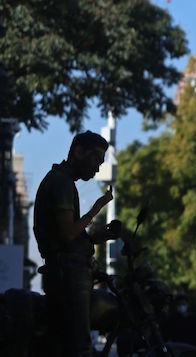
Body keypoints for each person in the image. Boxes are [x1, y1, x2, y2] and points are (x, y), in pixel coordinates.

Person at [33, 130, 122, 357]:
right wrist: (97, 208)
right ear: (78, 152)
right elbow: (66, 234)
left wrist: (93, 238)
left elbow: (68, 238)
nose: (97, 168)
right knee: (79, 346)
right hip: (68, 276)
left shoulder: (62, 181)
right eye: (95, 159)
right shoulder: (61, 182)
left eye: (101, 163)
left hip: (67, 272)